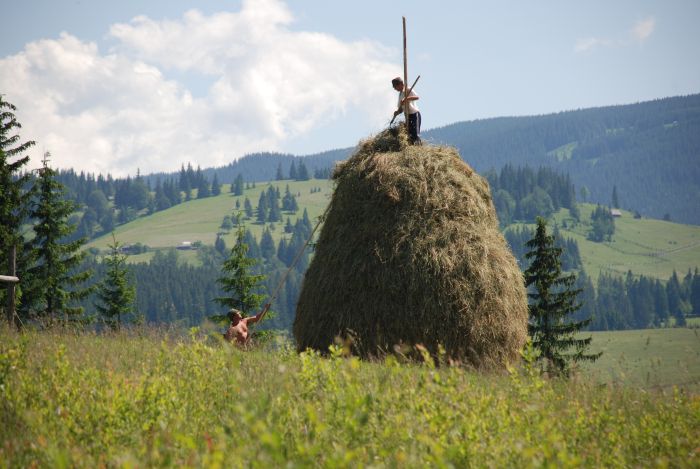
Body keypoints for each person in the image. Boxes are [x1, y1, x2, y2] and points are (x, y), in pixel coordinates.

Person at [392, 77, 421, 144]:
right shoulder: (400, 94)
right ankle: (412, 146)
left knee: (415, 134)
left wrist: (406, 98)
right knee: (409, 134)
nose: (394, 89)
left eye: (395, 86)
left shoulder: (407, 89)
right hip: (407, 116)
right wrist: (397, 112)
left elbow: (417, 97)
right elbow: (401, 108)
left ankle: (418, 147)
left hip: (414, 114)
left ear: (401, 84)